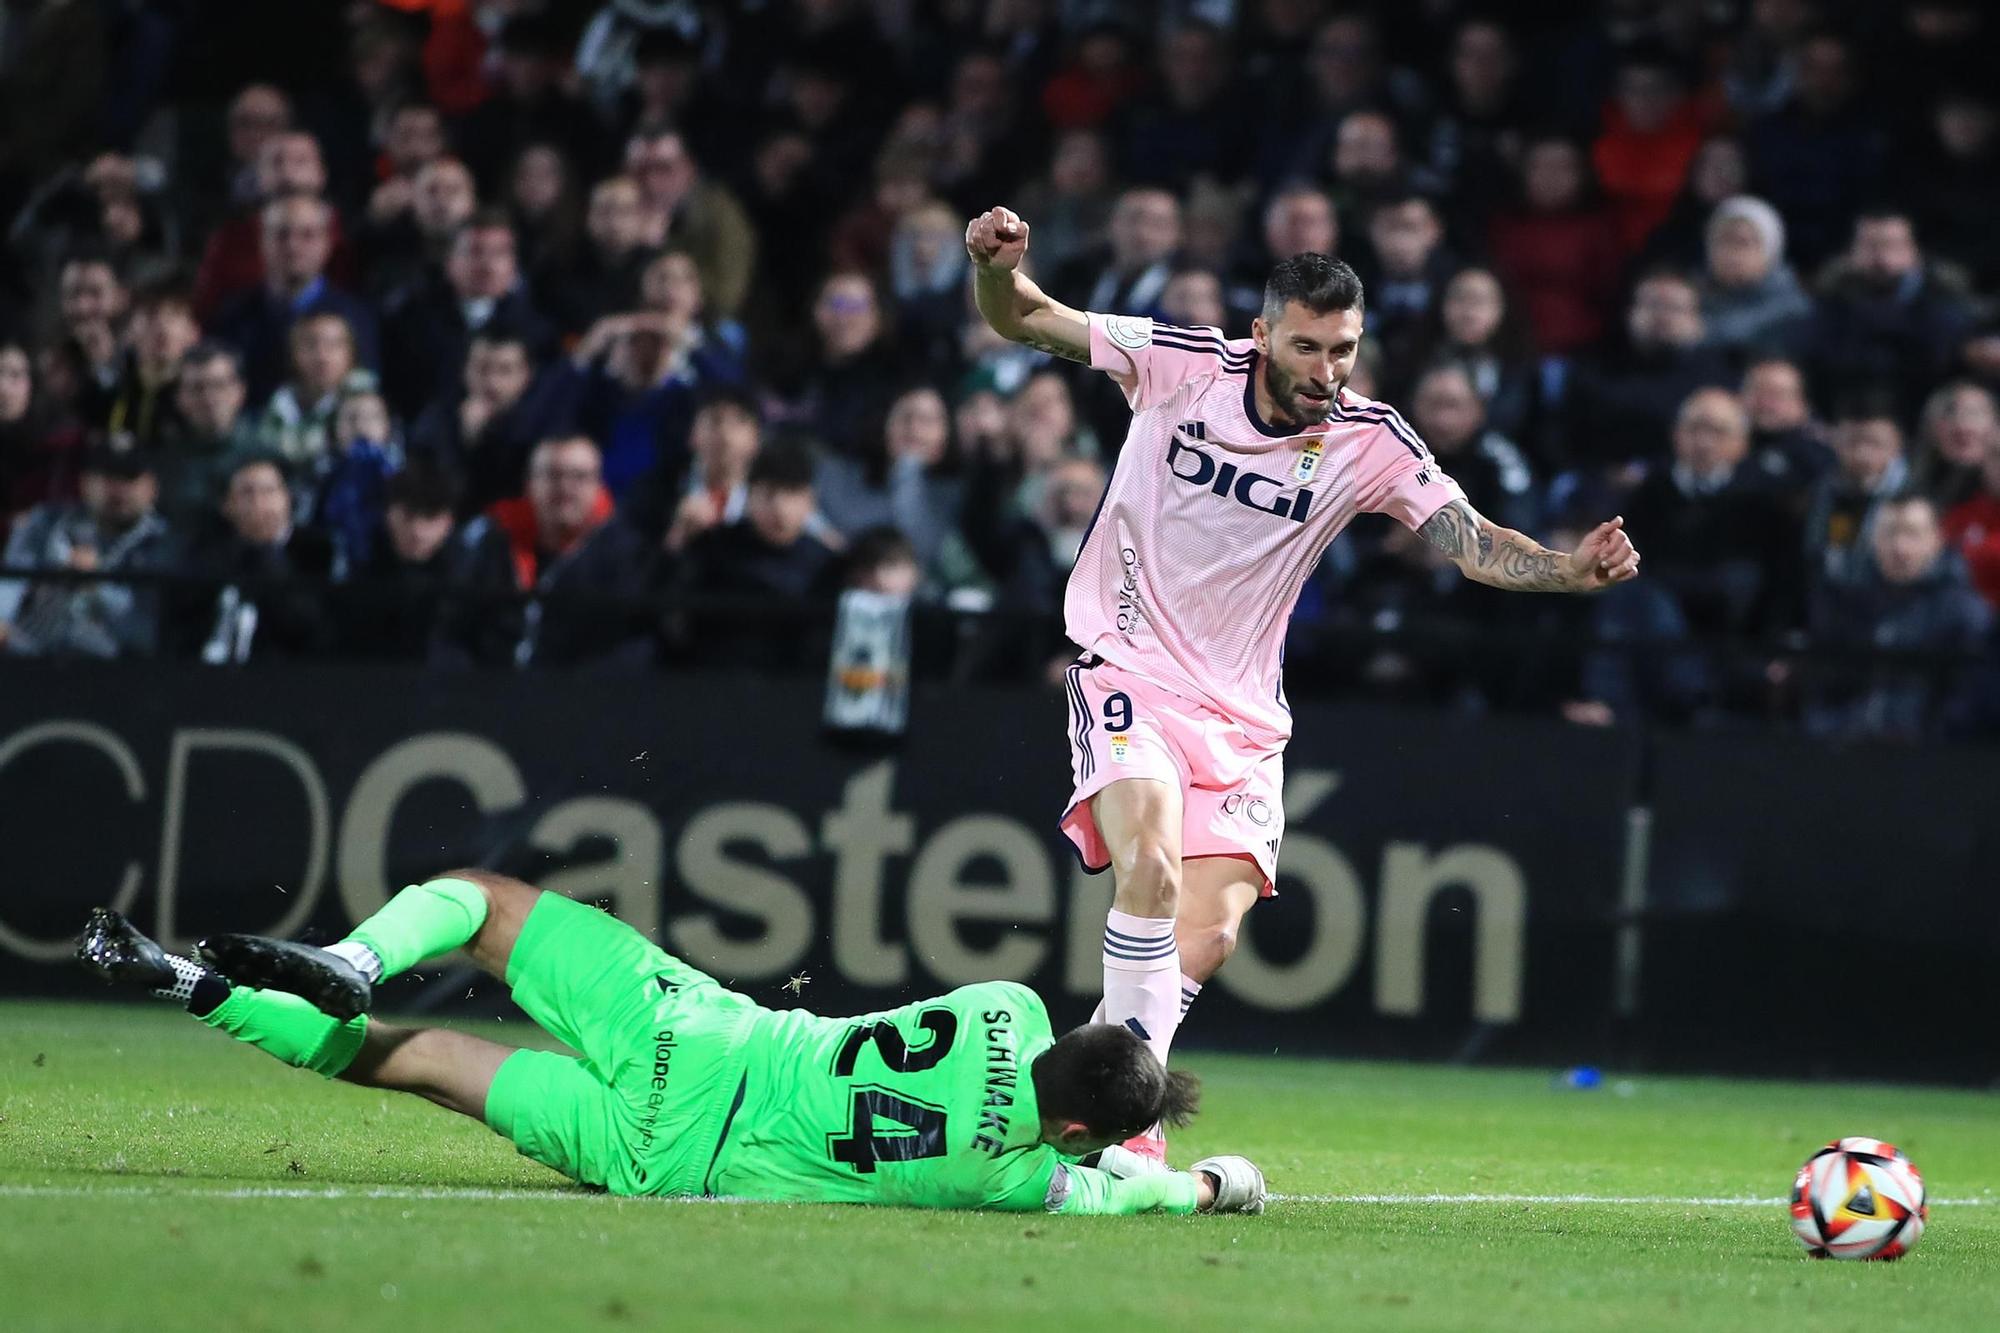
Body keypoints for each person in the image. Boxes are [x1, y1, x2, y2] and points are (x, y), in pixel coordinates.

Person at [964, 204, 1640, 1158]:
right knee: (1149, 868)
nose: (1328, 369)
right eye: (1309, 345)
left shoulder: (1371, 440)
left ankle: (1082, 1104)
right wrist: (995, 268)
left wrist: (1571, 570)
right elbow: (1024, 318)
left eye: (1345, 349)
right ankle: (1134, 1135)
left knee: (1210, 932)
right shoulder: (1178, 363)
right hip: (1133, 669)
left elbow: (1476, 542)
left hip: (1243, 717)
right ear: (1261, 334)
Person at [73, 872, 1267, 1215]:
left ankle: (354, 956)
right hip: (665, 1160)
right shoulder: (1011, 1182)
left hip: (704, 1039)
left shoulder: (1005, 1005)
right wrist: (1215, 1183)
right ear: (1070, 1133)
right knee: (413, 1058)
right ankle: (183, 984)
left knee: (485, 906)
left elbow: (1070, 1069)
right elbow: (1139, 1188)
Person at [0, 442, 175, 658]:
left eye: (129, 478)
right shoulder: (47, 523)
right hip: (31, 660)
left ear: (152, 488)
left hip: (119, 672)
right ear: (84, 483)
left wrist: (97, 586)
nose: (118, 489)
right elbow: (11, 582)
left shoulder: (166, 543)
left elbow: (147, 634)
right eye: (108, 478)